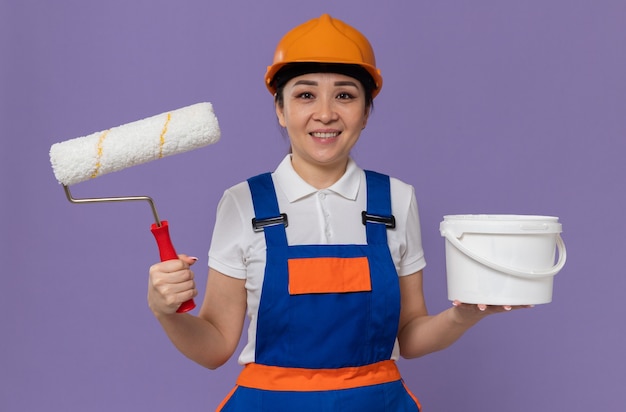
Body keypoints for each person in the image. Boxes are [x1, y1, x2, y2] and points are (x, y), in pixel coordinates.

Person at [147, 14, 526, 411]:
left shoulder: (396, 199)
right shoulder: (243, 202)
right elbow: (214, 346)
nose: (325, 113)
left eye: (344, 95)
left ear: (365, 111)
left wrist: (464, 315)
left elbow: (410, 336)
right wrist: (165, 312)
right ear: (279, 109)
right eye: (305, 95)